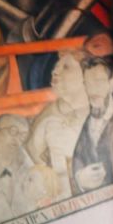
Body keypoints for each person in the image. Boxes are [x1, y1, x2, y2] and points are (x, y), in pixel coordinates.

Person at [26, 49, 90, 198]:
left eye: (66, 67)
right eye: (56, 66)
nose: (55, 71)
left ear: (85, 75)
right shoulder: (47, 117)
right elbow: (32, 158)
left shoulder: (98, 112)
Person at [71, 57, 113, 194]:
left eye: (98, 82)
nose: (92, 90)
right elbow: (78, 157)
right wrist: (80, 178)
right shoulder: (88, 123)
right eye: (88, 84)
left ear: (112, 83)